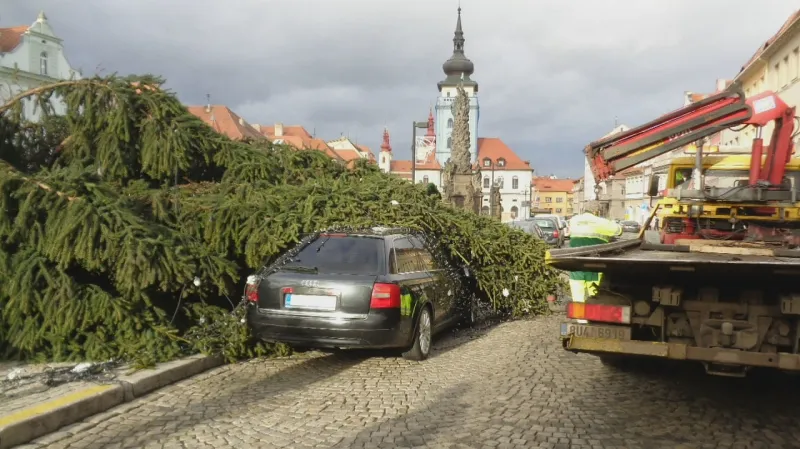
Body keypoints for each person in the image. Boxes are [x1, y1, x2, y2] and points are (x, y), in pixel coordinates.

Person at [567, 212, 623, 323]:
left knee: (578, 294)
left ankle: (580, 320)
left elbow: (569, 233)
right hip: (594, 264)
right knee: (595, 293)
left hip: (576, 263)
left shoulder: (573, 220)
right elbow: (619, 231)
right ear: (594, 213)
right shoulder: (601, 222)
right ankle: (595, 318)